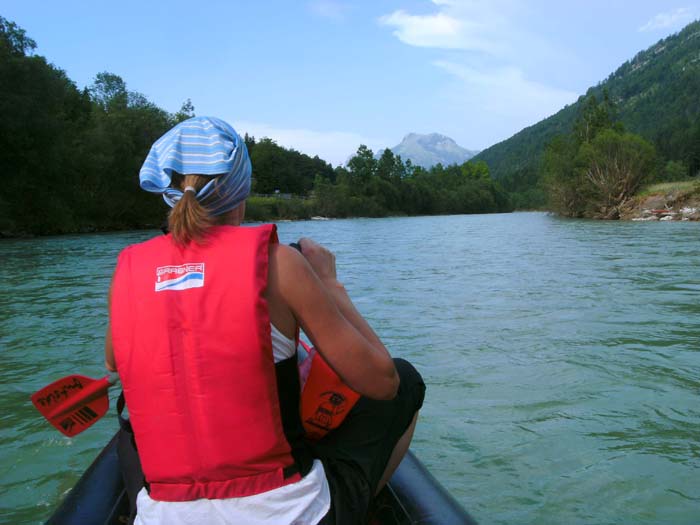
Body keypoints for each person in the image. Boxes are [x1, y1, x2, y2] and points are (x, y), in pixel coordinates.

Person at [104, 116, 425, 525]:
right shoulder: (280, 264)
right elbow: (381, 383)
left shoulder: (128, 271)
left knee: (130, 416)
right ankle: (357, 509)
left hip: (162, 517)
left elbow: (114, 361)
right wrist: (330, 283)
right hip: (290, 515)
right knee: (405, 377)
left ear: (168, 192)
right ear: (242, 190)